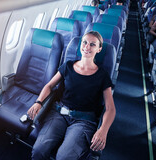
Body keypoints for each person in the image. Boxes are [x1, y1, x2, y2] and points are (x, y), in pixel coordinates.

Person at [28, 31, 116, 160]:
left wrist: (103, 130)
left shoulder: (102, 75)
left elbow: (110, 108)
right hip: (59, 113)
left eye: (92, 44)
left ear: (99, 49)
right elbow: (49, 86)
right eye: (85, 42)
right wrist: (39, 102)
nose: (87, 47)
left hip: (84, 120)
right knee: (38, 150)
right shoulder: (67, 66)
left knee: (63, 157)